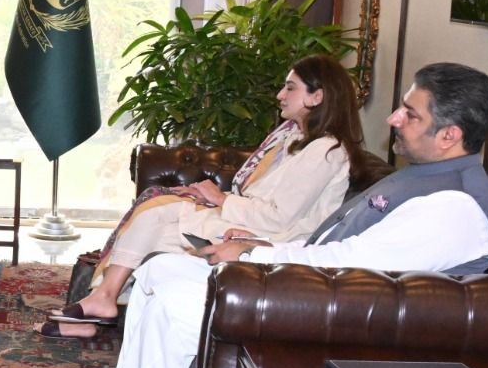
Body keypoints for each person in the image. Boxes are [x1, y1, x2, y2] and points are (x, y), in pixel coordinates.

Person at [60, 62, 488, 368]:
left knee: (174, 304)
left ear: (449, 135)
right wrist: (259, 249)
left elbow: (351, 265)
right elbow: (331, 249)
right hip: (312, 287)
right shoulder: (423, 177)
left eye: (410, 113)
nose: (393, 118)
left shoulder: (453, 208)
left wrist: (252, 254)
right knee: (158, 271)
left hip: (326, 311)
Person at [49, 55, 367, 338]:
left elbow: (279, 216)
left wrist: (220, 200)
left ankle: (102, 303)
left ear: (317, 97)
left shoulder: (327, 151)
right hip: (254, 221)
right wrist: (212, 196)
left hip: (272, 238)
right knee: (154, 212)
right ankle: (103, 302)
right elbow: (258, 195)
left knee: (156, 222)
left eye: (290, 88)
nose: (279, 95)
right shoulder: (295, 138)